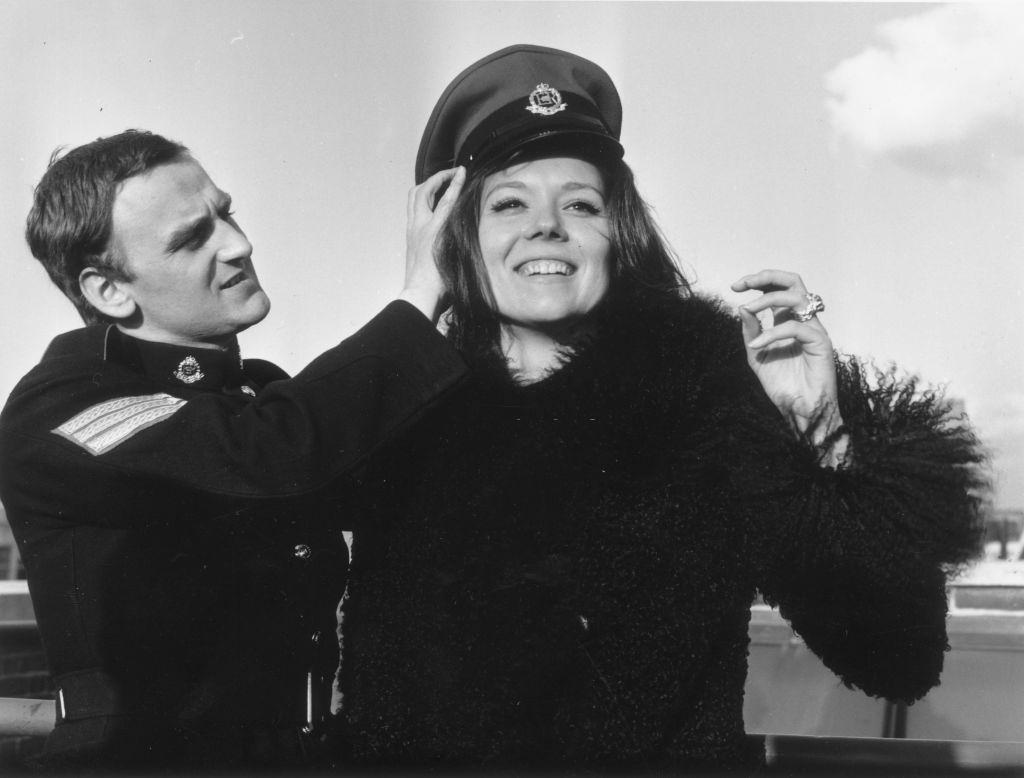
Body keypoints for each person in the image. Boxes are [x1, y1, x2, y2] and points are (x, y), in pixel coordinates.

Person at [332, 45, 986, 772]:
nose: (546, 226)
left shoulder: (706, 397)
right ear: (456, 237)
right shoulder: (401, 410)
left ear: (620, 235)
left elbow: (894, 655)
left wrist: (817, 426)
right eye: (508, 202)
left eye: (580, 204)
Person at [0, 129, 468, 770]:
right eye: (193, 238)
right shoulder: (62, 408)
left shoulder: (258, 394)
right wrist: (419, 300)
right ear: (110, 291)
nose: (239, 245)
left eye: (227, 214)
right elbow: (265, 459)